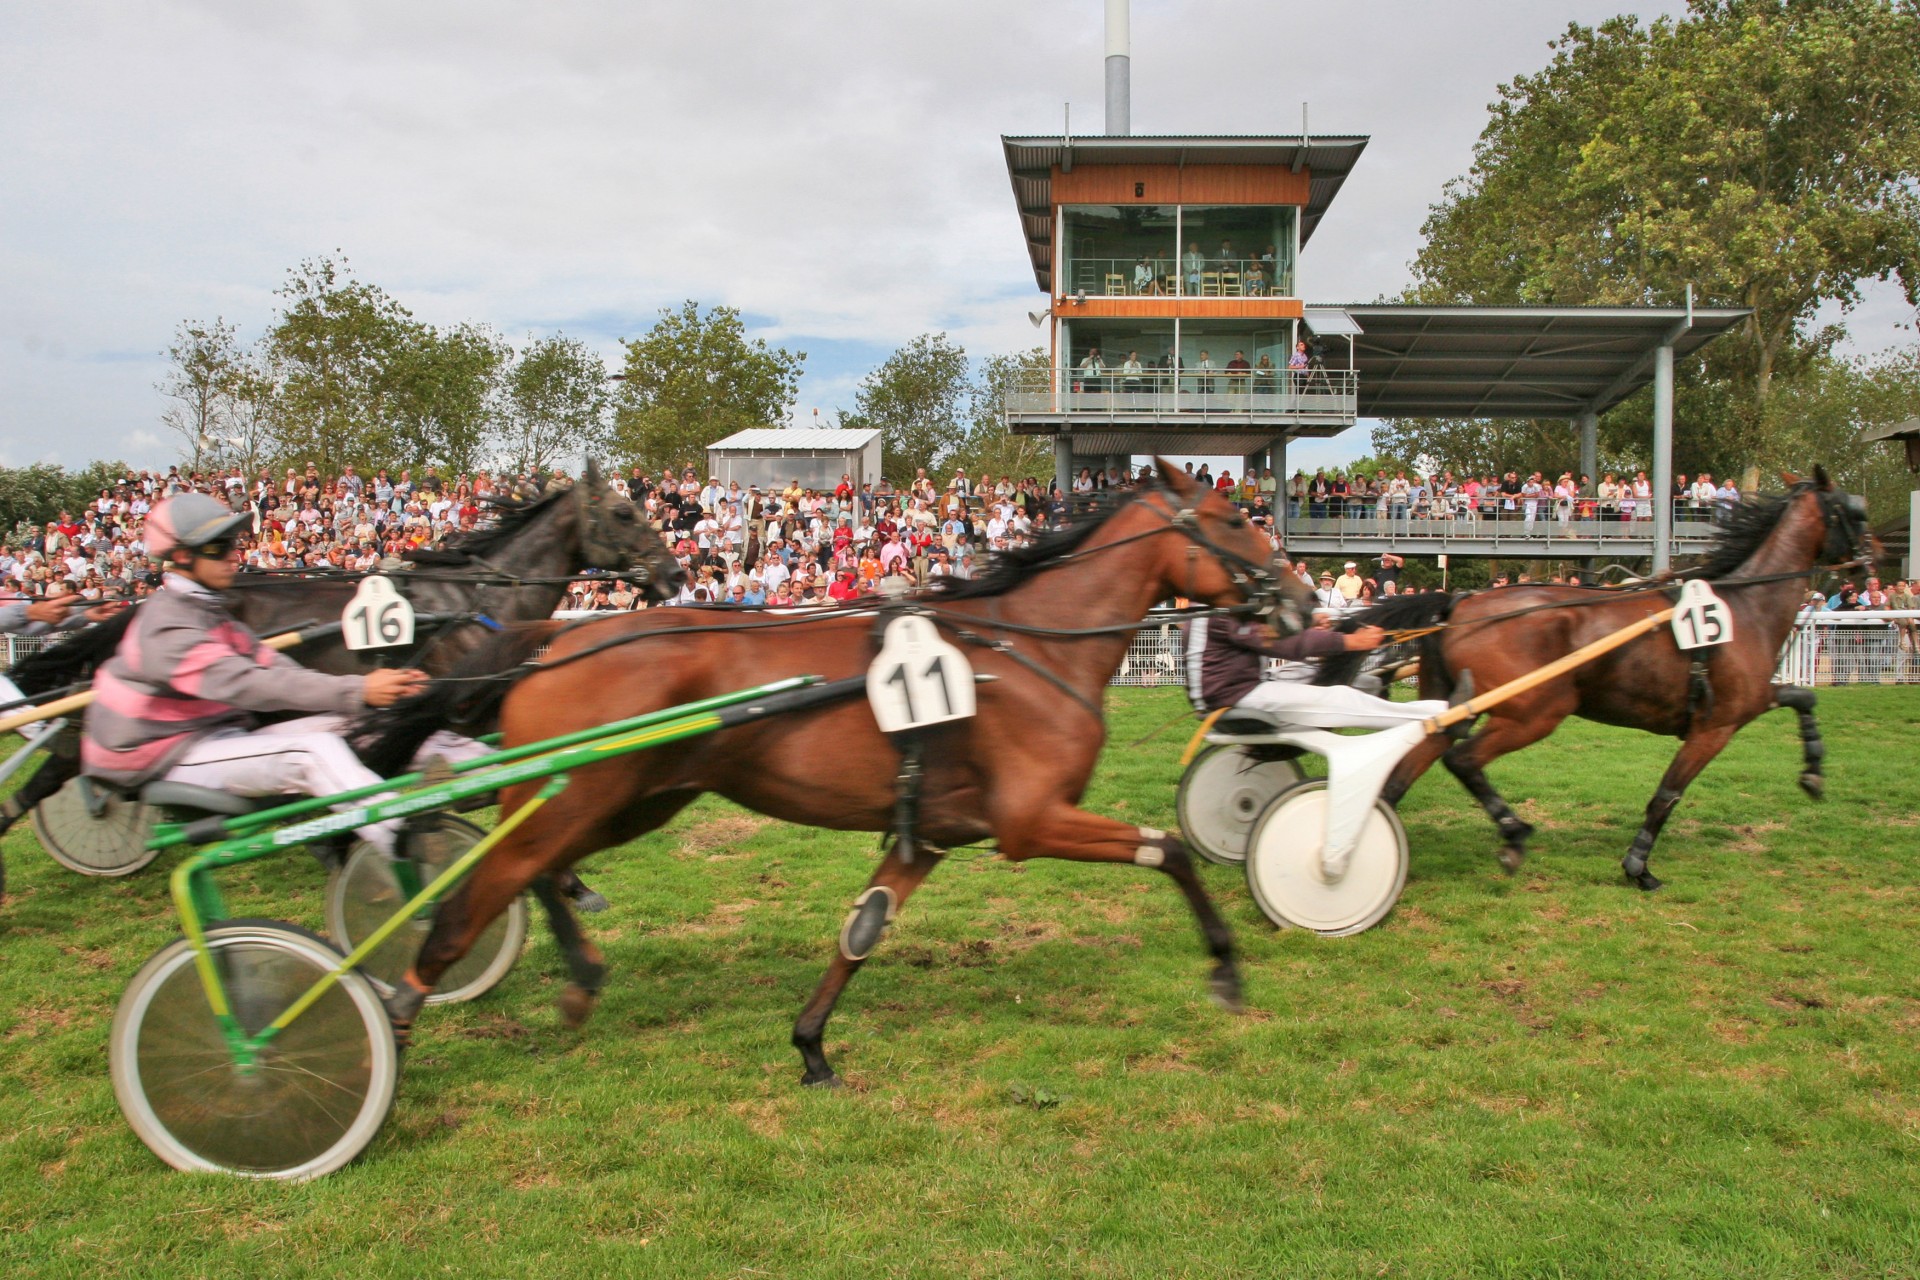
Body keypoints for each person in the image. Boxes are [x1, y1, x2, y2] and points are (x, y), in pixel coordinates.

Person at [80, 494, 474, 860]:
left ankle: (495, 775)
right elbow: (256, 685)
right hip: (164, 756)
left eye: (233, 544)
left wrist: (369, 697)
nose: (234, 556)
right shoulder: (168, 628)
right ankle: (411, 848)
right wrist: (360, 689)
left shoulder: (207, 610)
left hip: (212, 737)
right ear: (180, 556)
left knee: (372, 722)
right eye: (218, 548)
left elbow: (275, 667)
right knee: (313, 750)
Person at [1186, 613, 1451, 730]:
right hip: (1232, 696)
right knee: (1340, 697)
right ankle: (1443, 714)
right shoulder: (1221, 611)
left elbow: (1265, 625)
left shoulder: (1217, 603)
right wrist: (1349, 642)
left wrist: (1308, 620)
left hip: (1241, 686)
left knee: (1360, 683)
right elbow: (1280, 641)